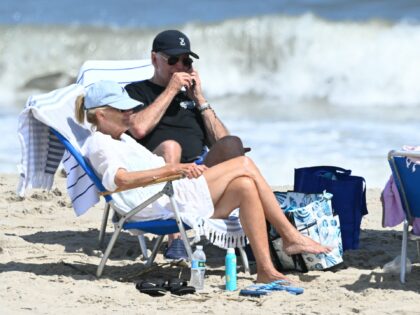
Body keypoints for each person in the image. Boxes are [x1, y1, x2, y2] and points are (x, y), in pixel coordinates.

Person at [75, 80, 330, 283]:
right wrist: (173, 170)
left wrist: (175, 170)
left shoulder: (122, 139)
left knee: (245, 185)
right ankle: (289, 235)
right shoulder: (100, 143)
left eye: (130, 106)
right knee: (244, 164)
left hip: (172, 195)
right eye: (122, 108)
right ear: (102, 115)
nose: (130, 111)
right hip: (163, 202)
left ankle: (265, 269)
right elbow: (119, 180)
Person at [125, 29, 248, 258]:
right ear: (154, 59)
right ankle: (176, 238)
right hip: (159, 176)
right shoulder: (136, 91)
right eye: (173, 60)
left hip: (199, 175)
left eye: (186, 61)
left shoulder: (189, 98)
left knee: (234, 146)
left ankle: (252, 230)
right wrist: (171, 90)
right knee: (172, 146)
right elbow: (138, 128)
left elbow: (223, 144)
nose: (180, 67)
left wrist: (200, 99)